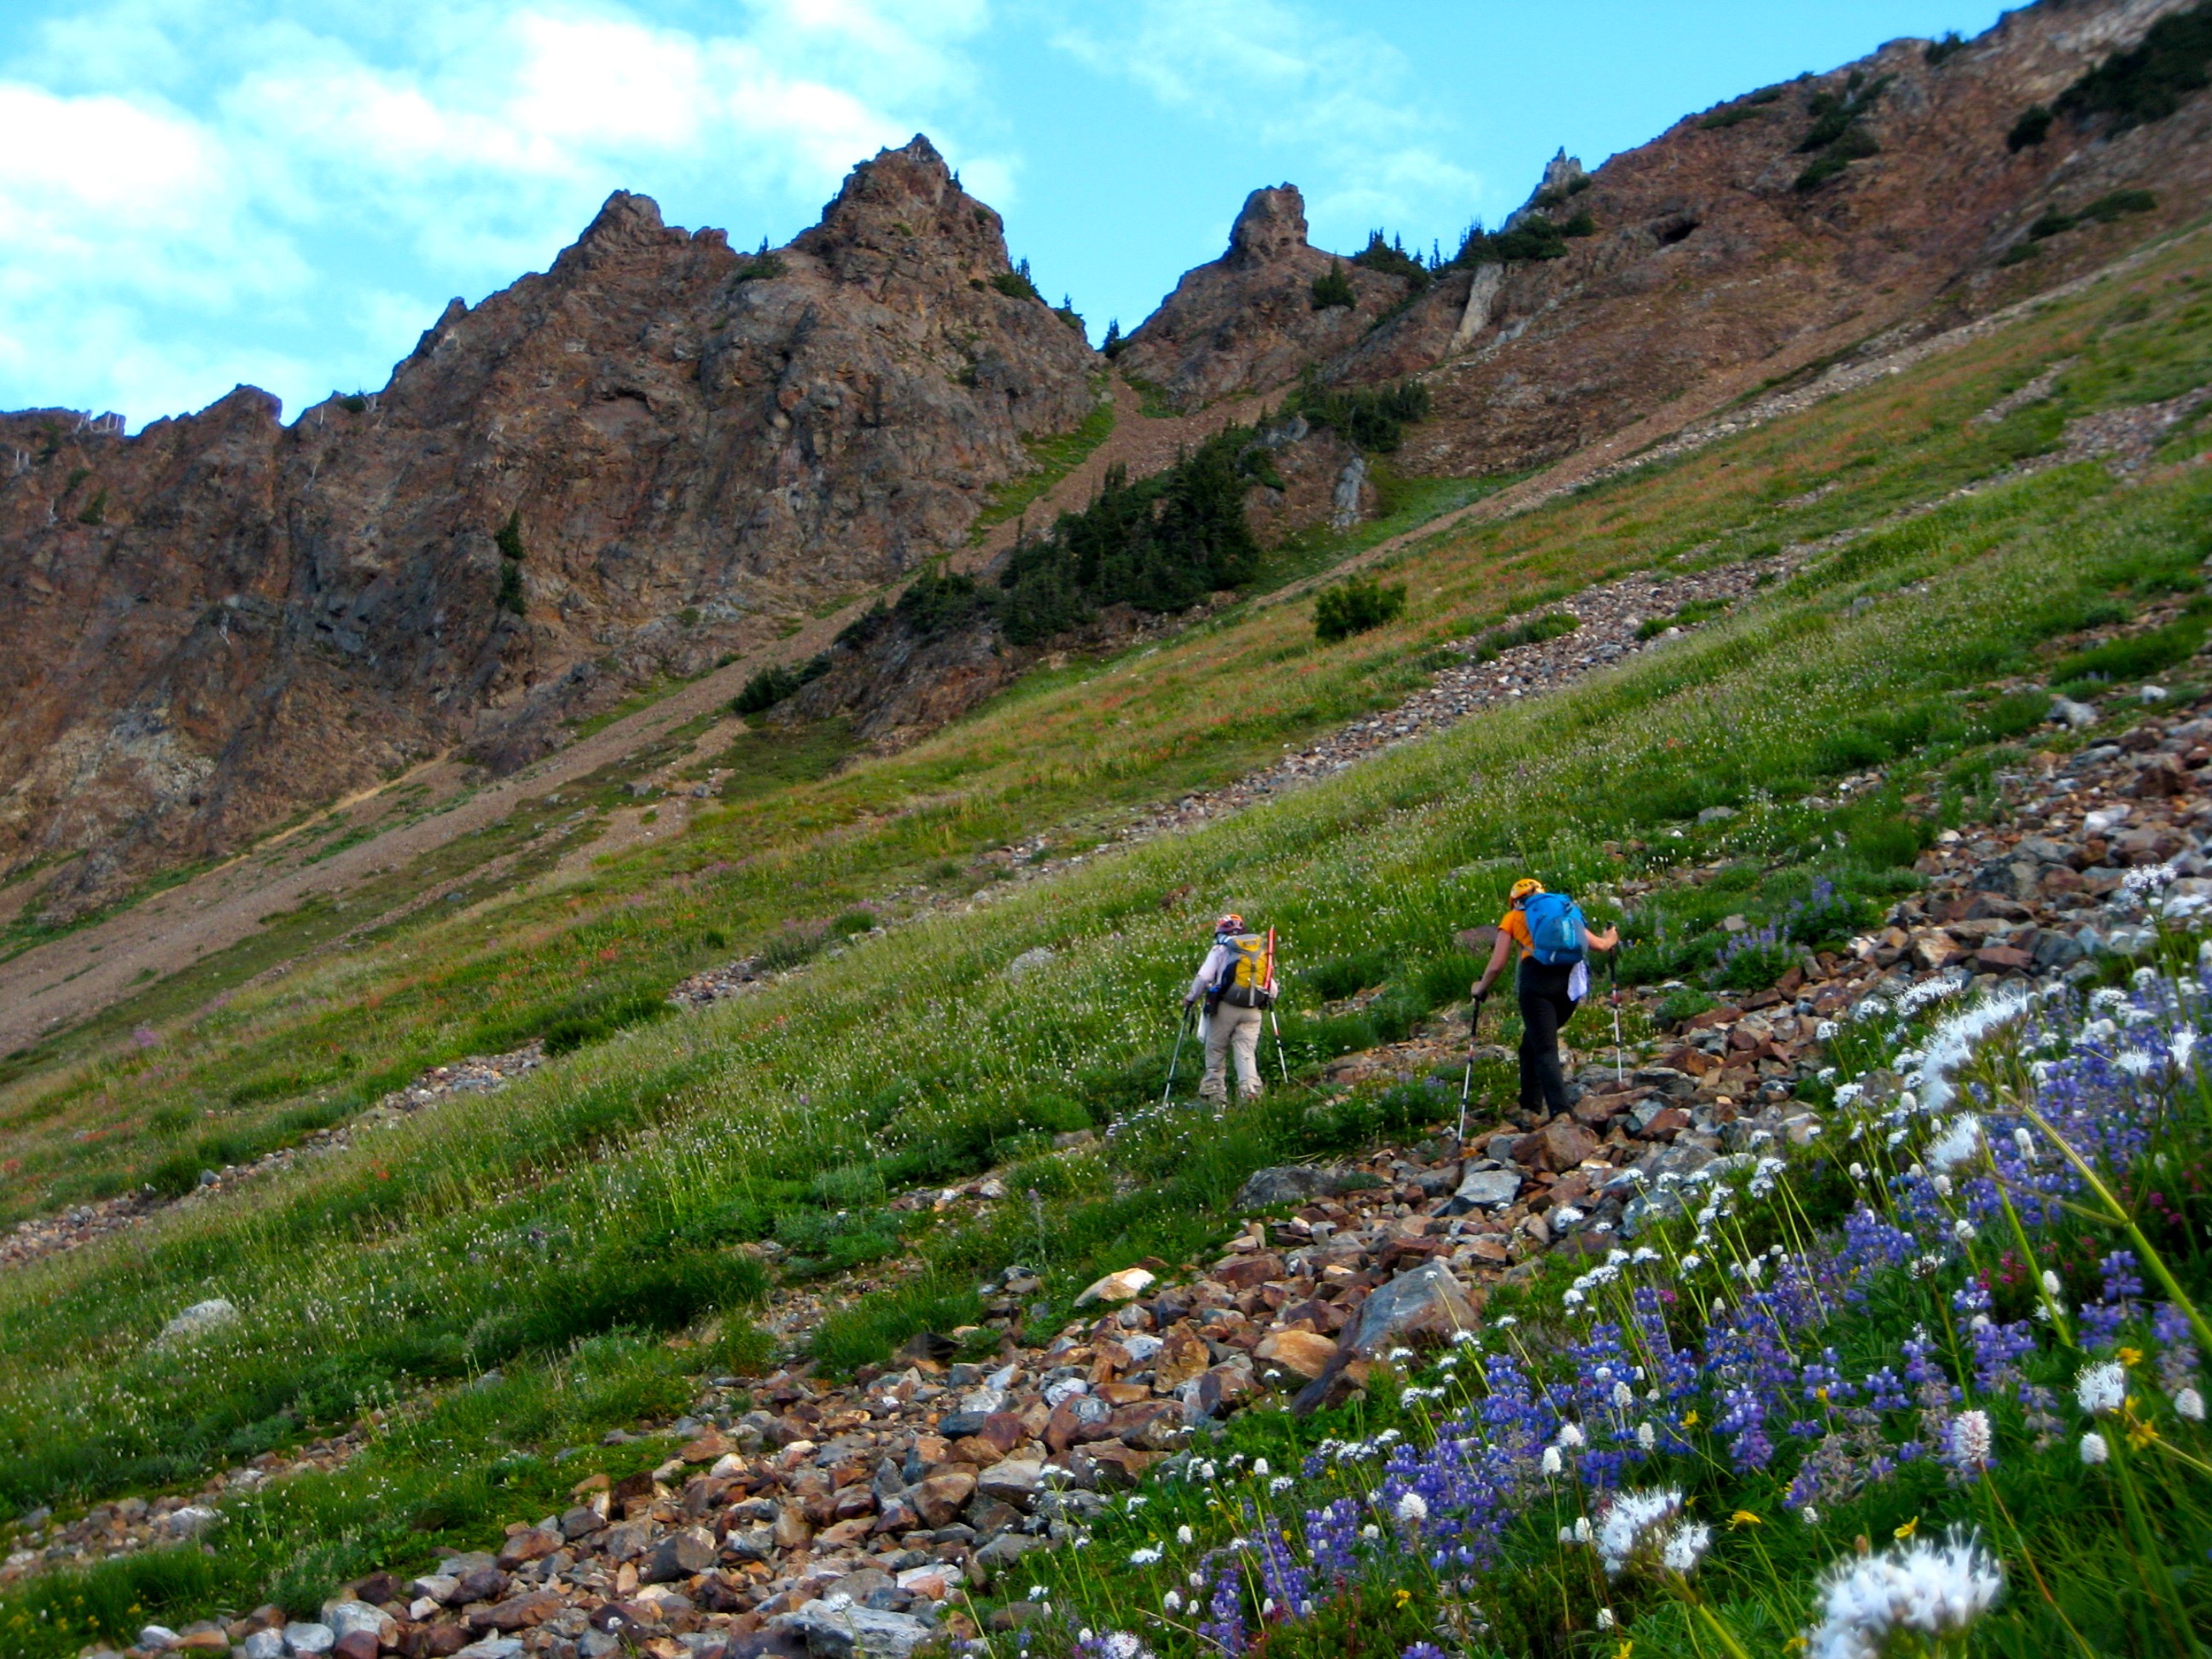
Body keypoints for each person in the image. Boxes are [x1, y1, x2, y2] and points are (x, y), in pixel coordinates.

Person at [1471, 878, 1619, 1119]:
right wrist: (1611, 936)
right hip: (1569, 985)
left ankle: (1561, 1111)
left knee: (1545, 1048)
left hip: (1536, 984)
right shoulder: (1565, 911)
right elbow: (1601, 945)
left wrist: (1480, 988)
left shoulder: (1512, 918)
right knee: (1531, 1043)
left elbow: (1497, 965)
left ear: (1515, 901)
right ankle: (1530, 1104)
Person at [1184, 913, 1276, 1103]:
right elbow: (1271, 985)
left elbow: (1204, 978)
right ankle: (1250, 1092)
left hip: (1225, 1007)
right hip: (1252, 1008)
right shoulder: (1257, 951)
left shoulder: (1220, 949)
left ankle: (1215, 1097)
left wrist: (1191, 999)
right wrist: (1268, 998)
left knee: (1216, 1051)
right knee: (1246, 1052)